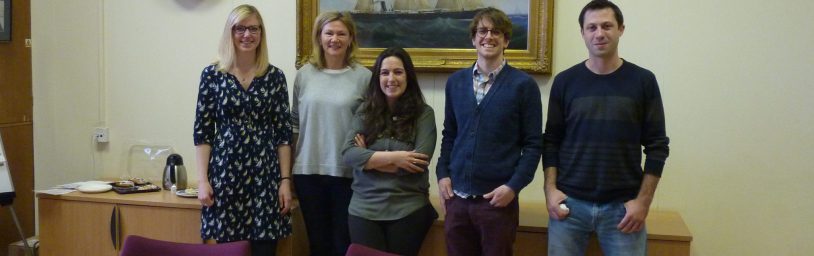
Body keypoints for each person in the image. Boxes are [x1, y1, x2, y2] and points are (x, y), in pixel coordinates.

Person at [542, 1, 671, 255]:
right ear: (582, 33)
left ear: (621, 29)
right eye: (591, 27)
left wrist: (643, 203)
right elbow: (551, 141)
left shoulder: (643, 81)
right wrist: (550, 190)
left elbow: (657, 147)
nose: (599, 33)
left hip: (623, 211)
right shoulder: (565, 82)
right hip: (569, 206)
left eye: (606, 26)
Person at [436, 7, 543, 256]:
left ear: (506, 40)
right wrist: (442, 175)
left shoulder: (523, 86)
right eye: (482, 31)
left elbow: (534, 145)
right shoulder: (455, 83)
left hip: (497, 203)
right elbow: (449, 135)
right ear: (473, 38)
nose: (489, 36)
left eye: (496, 32)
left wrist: (513, 187)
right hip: (458, 202)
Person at [193, 4, 293, 256]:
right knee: (226, 250)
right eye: (240, 28)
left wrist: (285, 182)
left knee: (264, 250)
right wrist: (202, 180)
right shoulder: (212, 75)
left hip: (265, 179)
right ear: (230, 32)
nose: (247, 35)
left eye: (253, 29)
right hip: (225, 178)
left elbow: (283, 136)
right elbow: (203, 133)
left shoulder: (275, 77)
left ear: (261, 34)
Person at [341, 47, 438, 256]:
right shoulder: (364, 111)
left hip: (408, 209)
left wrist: (368, 160)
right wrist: (398, 158)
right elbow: (349, 154)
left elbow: (418, 163)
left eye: (398, 72)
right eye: (385, 73)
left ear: (408, 76)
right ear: (377, 78)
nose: (391, 78)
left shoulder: (423, 114)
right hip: (363, 210)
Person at [291, 11, 372, 256]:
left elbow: (371, 126)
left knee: (343, 243)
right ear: (319, 37)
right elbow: (294, 123)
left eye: (341, 33)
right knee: (317, 244)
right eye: (329, 33)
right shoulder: (304, 74)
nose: (334, 39)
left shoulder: (364, 77)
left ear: (350, 38)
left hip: (346, 173)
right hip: (307, 172)